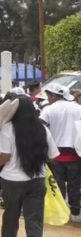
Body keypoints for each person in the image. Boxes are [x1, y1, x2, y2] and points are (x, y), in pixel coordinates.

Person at [0, 96, 60, 237]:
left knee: (10, 218)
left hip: (12, 182)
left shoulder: (8, 128)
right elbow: (51, 156)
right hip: (37, 181)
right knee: (34, 222)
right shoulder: (42, 129)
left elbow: (5, 156)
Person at [40, 83, 81, 223]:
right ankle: (75, 212)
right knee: (75, 184)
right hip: (75, 153)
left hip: (56, 154)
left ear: (54, 95)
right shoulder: (78, 108)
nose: (47, 98)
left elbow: (41, 128)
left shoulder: (48, 109)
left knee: (58, 184)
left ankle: (61, 211)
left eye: (48, 95)